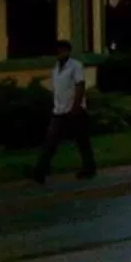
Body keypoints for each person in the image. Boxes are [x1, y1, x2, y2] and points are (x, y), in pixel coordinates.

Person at [31, 39, 96, 182]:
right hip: (59, 111)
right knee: (50, 142)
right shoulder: (55, 69)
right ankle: (40, 171)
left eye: (62, 50)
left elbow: (80, 85)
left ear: (67, 51)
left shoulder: (75, 66)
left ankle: (89, 168)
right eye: (57, 51)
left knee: (82, 141)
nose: (59, 53)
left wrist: (76, 106)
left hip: (75, 110)